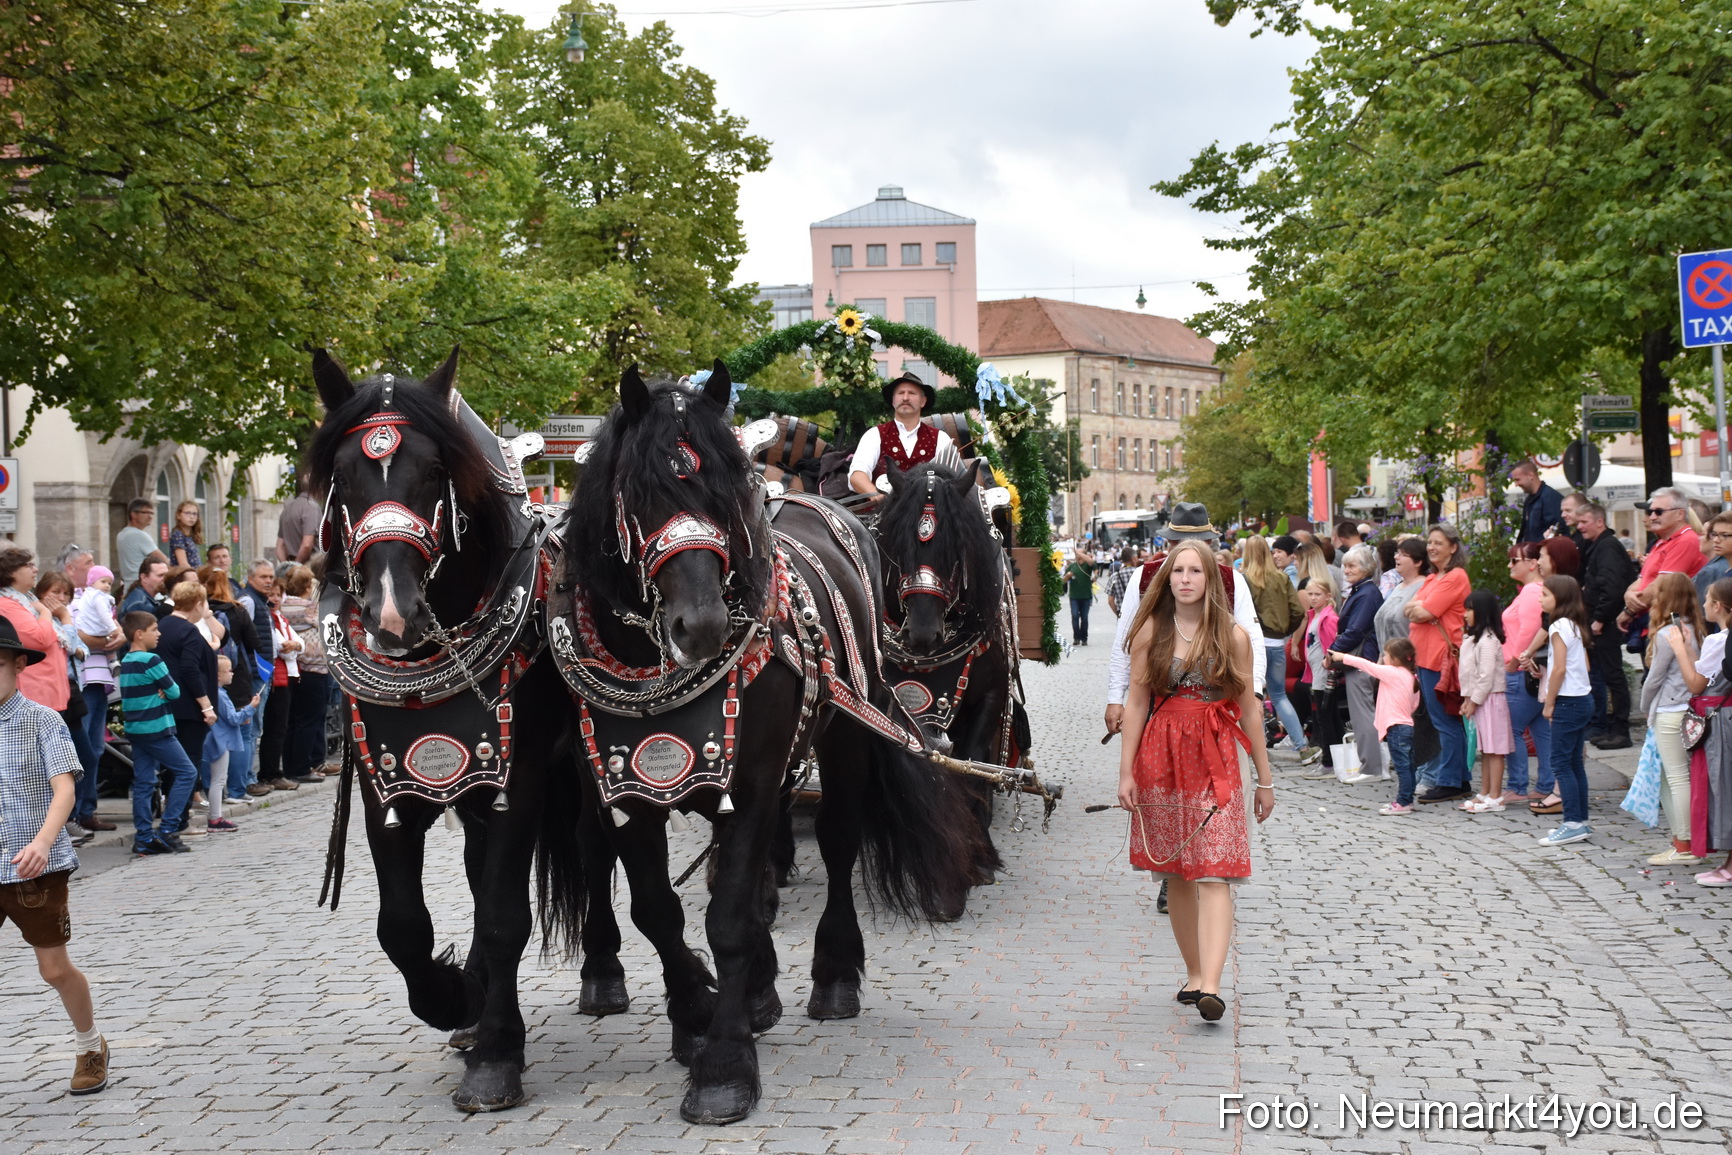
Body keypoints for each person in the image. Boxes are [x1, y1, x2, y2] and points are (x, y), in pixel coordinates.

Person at [1115, 540, 1273, 1022]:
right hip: (1159, 757)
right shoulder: (1150, 633)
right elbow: (1137, 703)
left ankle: (1212, 983)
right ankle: (1193, 972)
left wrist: (1264, 780)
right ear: (1167, 580)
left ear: (1211, 580)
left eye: (1195, 571)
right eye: (1177, 571)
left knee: (1213, 871)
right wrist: (1125, 772)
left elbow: (1249, 710)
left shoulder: (1234, 636)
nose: (1185, 579)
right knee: (1177, 871)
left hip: (1216, 756)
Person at [0, 615, 109, 1095]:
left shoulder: (41, 720)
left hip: (33, 866)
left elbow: (64, 790)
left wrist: (43, 841)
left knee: (53, 968)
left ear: (18, 665)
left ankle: (90, 1045)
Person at [116, 610, 197, 856]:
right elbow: (174, 691)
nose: (159, 634)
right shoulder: (151, 660)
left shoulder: (127, 661)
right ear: (140, 634)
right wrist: (161, 690)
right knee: (187, 772)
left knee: (144, 782)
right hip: (156, 728)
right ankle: (168, 830)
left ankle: (143, 837)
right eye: (154, 629)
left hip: (136, 729)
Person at [1404, 523, 1473, 802]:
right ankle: (1458, 779)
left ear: (1453, 547)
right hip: (1426, 655)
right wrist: (1420, 610)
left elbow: (1423, 612)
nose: (1431, 547)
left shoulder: (1455, 577)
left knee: (1445, 720)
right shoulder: (1434, 578)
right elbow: (1409, 609)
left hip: (1440, 657)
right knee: (1443, 719)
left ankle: (1450, 780)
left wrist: (1422, 610)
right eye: (1429, 542)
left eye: (1438, 543)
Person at [1640, 573, 1704, 866]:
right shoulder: (1695, 629)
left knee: (1677, 778)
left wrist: (1644, 707)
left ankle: (1686, 844)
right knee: (1675, 777)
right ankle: (1683, 840)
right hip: (1687, 709)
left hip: (1669, 711)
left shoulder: (1669, 634)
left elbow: (1654, 680)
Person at [1673, 577, 1732, 884]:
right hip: (1722, 712)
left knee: (1720, 785)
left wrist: (1680, 649)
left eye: (1708, 599)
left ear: (1719, 607)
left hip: (1718, 717)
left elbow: (1696, 683)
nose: (1704, 604)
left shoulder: (1718, 640)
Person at [1532, 576, 1595, 845]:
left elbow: (1558, 669)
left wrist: (1549, 702)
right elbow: (1586, 666)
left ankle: (1571, 822)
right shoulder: (1575, 626)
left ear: (1560, 598)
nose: (1540, 598)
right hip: (1583, 699)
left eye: (1545, 594)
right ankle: (1580, 820)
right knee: (1573, 764)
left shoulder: (1558, 625)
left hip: (1568, 702)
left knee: (1561, 763)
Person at [153, 583, 221, 832]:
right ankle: (179, 820)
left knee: (174, 765)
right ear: (198, 604)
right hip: (189, 708)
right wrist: (206, 706)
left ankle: (175, 817)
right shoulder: (188, 630)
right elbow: (190, 669)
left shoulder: (161, 626)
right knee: (187, 765)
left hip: (168, 704)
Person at [1332, 638, 1421, 815]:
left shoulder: (1392, 672)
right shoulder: (1411, 678)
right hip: (1408, 726)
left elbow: (1367, 666)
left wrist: (1343, 657)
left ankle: (1403, 802)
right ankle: (1407, 799)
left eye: (1386, 654)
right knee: (1408, 766)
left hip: (1396, 727)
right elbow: (1414, 705)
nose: (1383, 657)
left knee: (1402, 767)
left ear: (1395, 659)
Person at [1241, 535, 1310, 762]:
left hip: (1253, 644)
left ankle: (1258, 750)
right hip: (1277, 643)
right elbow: (1298, 611)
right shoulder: (1280, 578)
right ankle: (1301, 745)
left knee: (1253, 697)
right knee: (1280, 696)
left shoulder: (1244, 579)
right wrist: (1283, 631)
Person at [1578, 502, 1637, 749]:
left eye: (1584, 522)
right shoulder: (1599, 546)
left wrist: (1600, 619)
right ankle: (1612, 728)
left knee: (1613, 675)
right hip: (1602, 621)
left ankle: (1621, 730)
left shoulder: (1607, 547)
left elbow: (1612, 587)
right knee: (1607, 675)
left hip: (1607, 623)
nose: (1579, 526)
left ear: (1599, 522)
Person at [70, 566, 123, 834]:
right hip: (85, 678)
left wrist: (117, 635)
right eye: (87, 562)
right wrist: (110, 639)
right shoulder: (77, 600)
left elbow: (117, 629)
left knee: (96, 748)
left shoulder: (100, 598)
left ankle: (87, 809)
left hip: (102, 678)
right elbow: (79, 636)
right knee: (84, 750)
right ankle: (76, 812)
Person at [1503, 543, 1555, 809]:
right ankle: (1544, 784)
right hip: (1527, 668)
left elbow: (1529, 631)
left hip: (1521, 670)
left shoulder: (1533, 591)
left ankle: (1518, 785)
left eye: (1515, 560)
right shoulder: (1531, 591)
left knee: (1511, 728)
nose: (1510, 565)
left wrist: (1513, 664)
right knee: (1538, 729)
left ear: (1532, 563)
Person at [847, 373, 959, 496]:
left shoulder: (941, 439)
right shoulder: (874, 435)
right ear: (893, 400)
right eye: (900, 393)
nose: (905, 398)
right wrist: (876, 496)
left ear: (923, 401)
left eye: (912, 393)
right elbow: (857, 476)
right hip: (882, 512)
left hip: (927, 512)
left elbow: (951, 482)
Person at [1330, 545, 1385, 782]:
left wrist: (1333, 652)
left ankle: (1371, 767)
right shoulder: (1361, 591)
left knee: (1363, 713)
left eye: (1351, 566)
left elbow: (1356, 630)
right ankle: (1372, 764)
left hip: (1361, 658)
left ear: (1365, 568)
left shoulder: (1367, 593)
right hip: (1359, 656)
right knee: (1362, 712)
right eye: (1345, 565)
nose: (1346, 570)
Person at [1458, 589, 1512, 812]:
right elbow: (1471, 673)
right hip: (1481, 700)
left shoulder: (1488, 641)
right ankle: (1485, 791)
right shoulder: (1475, 639)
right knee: (1485, 749)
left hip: (1491, 700)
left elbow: (1486, 675)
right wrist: (1467, 697)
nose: (1465, 614)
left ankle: (1496, 796)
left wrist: (1474, 700)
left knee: (1495, 749)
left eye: (1470, 609)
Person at [0, 549, 71, 717]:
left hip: (48, 694)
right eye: (29, 565)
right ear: (11, 572)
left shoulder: (27, 600)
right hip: (35, 695)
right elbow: (39, 639)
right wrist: (46, 612)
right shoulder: (7, 605)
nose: (35, 570)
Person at [1623, 486, 1706, 622]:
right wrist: (1628, 594)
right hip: (1654, 619)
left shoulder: (1686, 540)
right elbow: (1642, 580)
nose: (1652, 517)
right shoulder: (1662, 541)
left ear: (1680, 514)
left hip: (1669, 620)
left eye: (1659, 512)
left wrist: (1628, 612)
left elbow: (1661, 586)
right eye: (1650, 512)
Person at [279, 565, 330, 783]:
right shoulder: (310, 607)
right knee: (309, 721)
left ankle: (291, 766)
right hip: (314, 668)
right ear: (308, 586)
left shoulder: (282, 606)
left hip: (293, 668)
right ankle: (301, 767)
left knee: (294, 721)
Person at [235, 561, 279, 797]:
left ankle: (250, 777)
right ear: (251, 579)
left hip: (263, 671)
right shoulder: (248, 601)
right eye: (263, 577)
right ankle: (248, 779)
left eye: (271, 576)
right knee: (251, 728)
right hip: (254, 673)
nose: (269, 581)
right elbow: (244, 637)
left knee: (257, 727)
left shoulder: (261, 601)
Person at [201, 655, 258, 833]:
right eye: (228, 671)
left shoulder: (212, 692)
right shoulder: (220, 695)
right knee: (218, 781)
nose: (232, 674)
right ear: (218, 675)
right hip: (220, 741)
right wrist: (251, 708)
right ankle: (215, 818)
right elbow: (233, 719)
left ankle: (215, 816)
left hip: (213, 740)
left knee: (214, 780)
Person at [1511, 459, 1564, 543]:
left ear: (1530, 475)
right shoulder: (1530, 500)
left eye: (1518, 479)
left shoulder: (1550, 498)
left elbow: (1556, 531)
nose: (1516, 484)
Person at [1694, 511, 1732, 623]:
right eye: (1714, 534)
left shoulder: (1714, 571)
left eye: (1724, 535)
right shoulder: (1726, 571)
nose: (1716, 540)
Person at [276, 475, 322, 564]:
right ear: (316, 488)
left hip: (291, 565)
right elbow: (307, 544)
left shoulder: (287, 509)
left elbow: (279, 546)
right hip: (309, 568)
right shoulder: (311, 508)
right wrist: (297, 567)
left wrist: (287, 566)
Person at [114, 499, 157, 591]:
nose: (150, 517)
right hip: (143, 587)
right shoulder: (139, 535)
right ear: (133, 514)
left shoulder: (122, 534)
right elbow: (162, 561)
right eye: (146, 512)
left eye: (152, 513)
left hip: (128, 587)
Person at [1063, 554, 1095, 645]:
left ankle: (1084, 638)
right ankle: (1076, 637)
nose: (1077, 555)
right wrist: (1068, 576)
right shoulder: (1072, 566)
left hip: (1086, 596)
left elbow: (1091, 562)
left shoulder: (1087, 565)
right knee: (1075, 616)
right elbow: (1063, 581)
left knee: (1084, 618)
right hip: (1074, 596)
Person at [168, 500, 203, 569]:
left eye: (194, 514)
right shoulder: (178, 534)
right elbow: (183, 564)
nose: (191, 517)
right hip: (185, 575)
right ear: (178, 515)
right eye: (187, 513)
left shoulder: (191, 535)